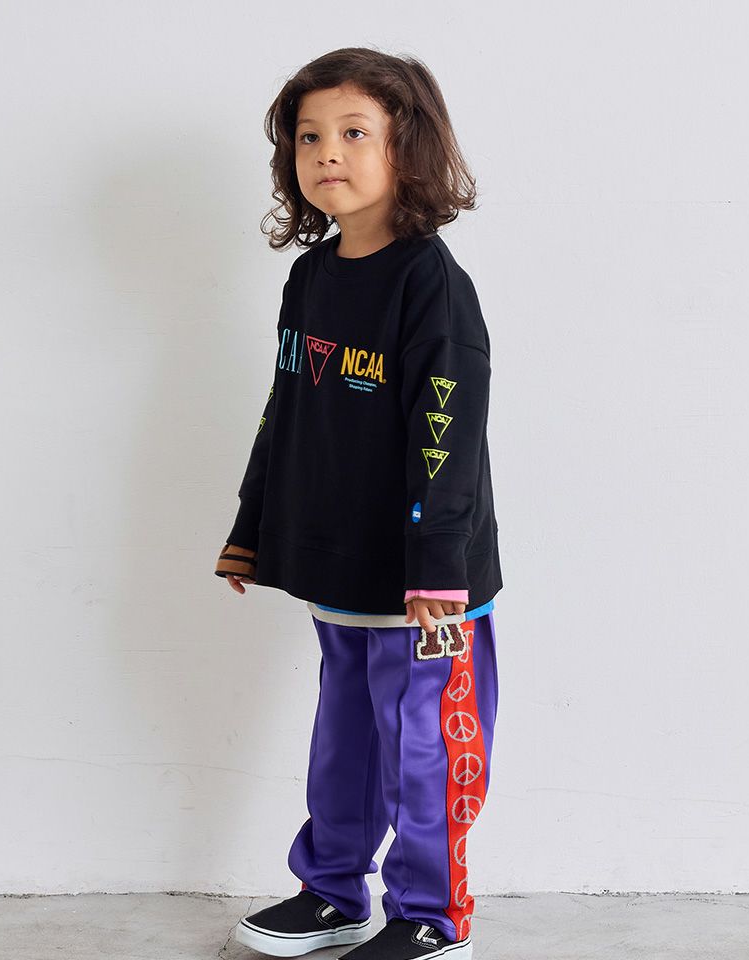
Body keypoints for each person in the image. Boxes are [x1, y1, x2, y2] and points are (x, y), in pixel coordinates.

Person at [215, 47, 502, 960]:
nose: (326, 152)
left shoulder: (431, 285)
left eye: (352, 132)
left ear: (408, 149)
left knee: (427, 749)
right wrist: (253, 528)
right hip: (337, 568)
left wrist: (439, 571)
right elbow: (286, 410)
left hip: (430, 587)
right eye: (308, 137)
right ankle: (333, 892)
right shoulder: (312, 277)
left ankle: (433, 918)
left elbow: (447, 438)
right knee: (345, 743)